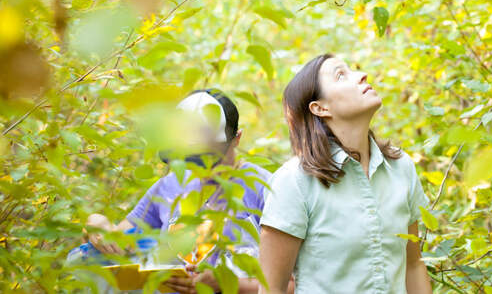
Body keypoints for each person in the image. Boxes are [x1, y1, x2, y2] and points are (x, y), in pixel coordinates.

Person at [258, 54, 433, 294]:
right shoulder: (294, 181)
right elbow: (272, 289)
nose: (361, 75)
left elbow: (413, 265)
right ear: (320, 108)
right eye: (341, 75)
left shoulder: (401, 168)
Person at [83, 89, 274, 294]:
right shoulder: (168, 187)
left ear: (237, 139)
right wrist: (95, 224)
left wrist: (229, 284)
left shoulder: (263, 187)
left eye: (209, 155)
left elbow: (293, 284)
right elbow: (119, 244)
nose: (199, 166)